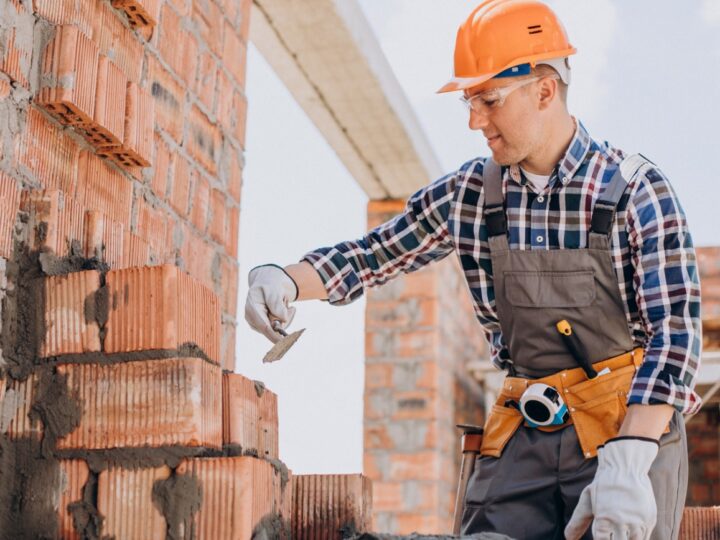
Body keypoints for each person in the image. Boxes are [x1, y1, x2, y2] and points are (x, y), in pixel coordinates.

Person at [244, 1, 702, 539]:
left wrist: (631, 457)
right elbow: (374, 254)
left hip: (624, 430)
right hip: (528, 432)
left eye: (488, 99)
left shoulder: (632, 190)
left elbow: (674, 336)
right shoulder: (472, 195)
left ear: (545, 90)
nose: (473, 120)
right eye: (469, 101)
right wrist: (285, 278)